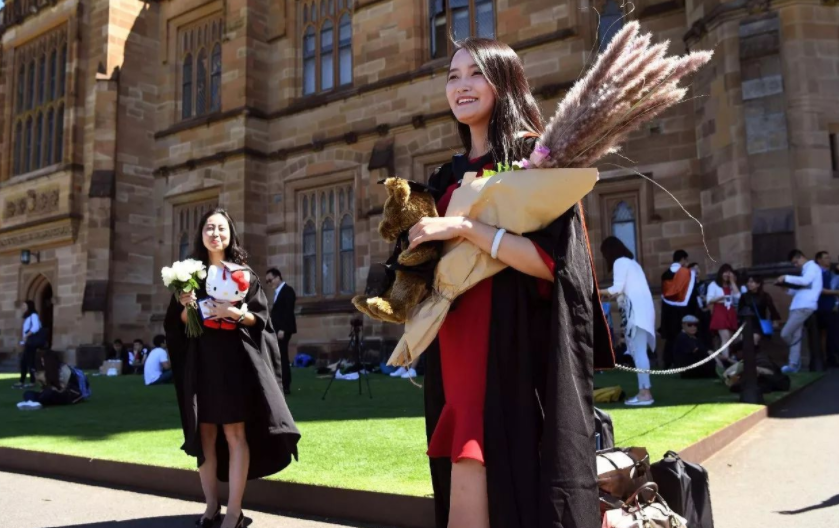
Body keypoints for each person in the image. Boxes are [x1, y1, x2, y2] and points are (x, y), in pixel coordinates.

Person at [410, 39, 614, 528]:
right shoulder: (445, 178)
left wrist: (463, 228)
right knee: (462, 453)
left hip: (509, 340)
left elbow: (554, 264)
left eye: (475, 74)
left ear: (503, 82)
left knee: (502, 461)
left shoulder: (534, 162)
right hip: (455, 340)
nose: (461, 86)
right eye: (452, 76)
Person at [165, 208, 300, 528]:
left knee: (235, 433)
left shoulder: (245, 275)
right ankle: (211, 506)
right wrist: (187, 307)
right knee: (206, 435)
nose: (215, 234)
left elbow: (261, 320)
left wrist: (234, 312)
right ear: (201, 234)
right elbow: (179, 325)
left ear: (230, 235)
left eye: (221, 228)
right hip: (202, 363)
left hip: (234, 362)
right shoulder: (190, 277)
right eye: (209, 228)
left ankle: (235, 511)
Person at [599, 236, 656, 406]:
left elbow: (617, 288)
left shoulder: (620, 262)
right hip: (643, 311)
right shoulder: (633, 263)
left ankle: (645, 393)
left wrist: (596, 291)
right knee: (639, 352)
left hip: (636, 312)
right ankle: (644, 391)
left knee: (639, 353)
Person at [776, 249, 823, 374]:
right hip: (798, 306)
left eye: (795, 262)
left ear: (801, 257)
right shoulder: (807, 270)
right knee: (795, 335)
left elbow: (805, 282)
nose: (795, 265)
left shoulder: (812, 267)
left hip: (804, 306)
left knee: (785, 334)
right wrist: (786, 289)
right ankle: (793, 364)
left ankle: (795, 360)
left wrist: (786, 277)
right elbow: (802, 289)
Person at [659, 250, 697, 368]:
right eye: (686, 260)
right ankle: (680, 361)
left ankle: (667, 362)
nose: (687, 263)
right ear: (682, 259)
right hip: (683, 310)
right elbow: (691, 296)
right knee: (682, 335)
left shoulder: (665, 274)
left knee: (670, 337)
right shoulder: (687, 273)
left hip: (668, 310)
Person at [18, 349, 87, 410]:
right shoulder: (45, 372)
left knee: (49, 393)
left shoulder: (64, 370)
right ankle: (34, 402)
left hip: (66, 395)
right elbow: (43, 389)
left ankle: (34, 402)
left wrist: (53, 389)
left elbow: (65, 388)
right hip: (51, 393)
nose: (42, 363)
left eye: (43, 360)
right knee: (27, 393)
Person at [266, 267, 296, 395]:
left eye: (270, 280)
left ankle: (285, 385)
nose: (269, 283)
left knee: (282, 357)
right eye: (267, 281)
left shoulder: (287, 291)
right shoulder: (278, 292)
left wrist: (283, 329)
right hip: (277, 330)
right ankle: (280, 383)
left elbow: (288, 311)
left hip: (283, 330)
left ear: (278, 277)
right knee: (278, 356)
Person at [707, 264, 740, 366]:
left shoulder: (731, 285)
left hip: (730, 311)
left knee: (730, 338)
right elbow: (709, 300)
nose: (727, 274)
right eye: (725, 272)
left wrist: (732, 282)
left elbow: (738, 296)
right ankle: (726, 362)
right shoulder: (713, 284)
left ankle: (723, 360)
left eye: (729, 272)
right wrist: (720, 298)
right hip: (720, 310)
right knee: (725, 337)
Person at [739, 275, 781, 348]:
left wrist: (774, 320)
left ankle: (755, 357)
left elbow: (772, 308)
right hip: (747, 323)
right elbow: (740, 310)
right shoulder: (744, 296)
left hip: (760, 323)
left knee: (754, 339)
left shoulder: (765, 296)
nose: (749, 284)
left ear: (758, 284)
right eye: (748, 282)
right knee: (742, 339)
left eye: (752, 282)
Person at [13, 300, 44, 390]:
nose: (23, 307)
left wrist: (27, 335)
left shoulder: (33, 315)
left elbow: (36, 327)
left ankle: (29, 381)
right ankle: (27, 381)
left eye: (24, 306)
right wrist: (23, 341)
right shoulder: (27, 317)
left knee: (28, 362)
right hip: (28, 343)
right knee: (27, 362)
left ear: (29, 306)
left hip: (31, 343)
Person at [815, 251, 839, 367]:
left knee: (832, 333)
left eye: (829, 258)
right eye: (826, 258)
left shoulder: (830, 274)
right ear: (819, 260)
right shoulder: (818, 273)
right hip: (822, 307)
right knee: (827, 334)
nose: (828, 260)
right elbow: (821, 289)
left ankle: (831, 358)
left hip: (831, 306)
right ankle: (829, 359)